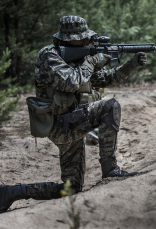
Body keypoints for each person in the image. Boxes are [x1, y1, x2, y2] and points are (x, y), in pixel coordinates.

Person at [0, 15, 147, 213]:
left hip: (74, 120)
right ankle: (110, 169)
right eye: (83, 38)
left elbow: (104, 79)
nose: (88, 41)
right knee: (110, 105)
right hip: (60, 126)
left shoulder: (80, 56)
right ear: (69, 38)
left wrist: (131, 64)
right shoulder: (49, 55)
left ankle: (13, 192)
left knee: (71, 190)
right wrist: (93, 60)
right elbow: (71, 82)